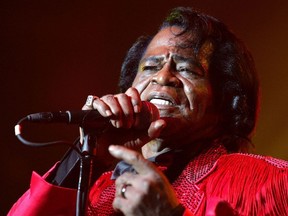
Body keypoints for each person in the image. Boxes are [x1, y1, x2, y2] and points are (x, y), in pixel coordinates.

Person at [9, 7, 288, 216]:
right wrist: (86, 156)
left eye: (188, 69)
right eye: (151, 67)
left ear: (228, 101)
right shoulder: (95, 188)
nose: (163, 77)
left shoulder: (274, 185)